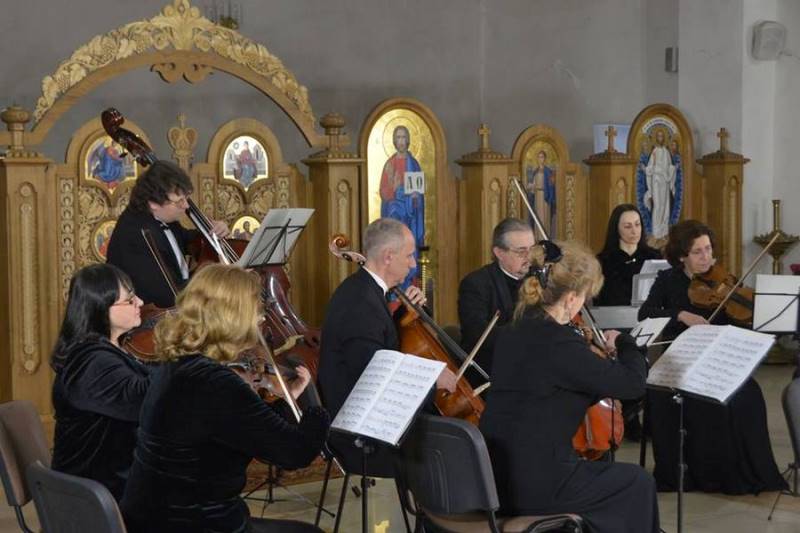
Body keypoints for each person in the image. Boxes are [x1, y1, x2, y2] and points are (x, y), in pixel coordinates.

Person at [121, 264, 328, 533]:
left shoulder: (178, 365)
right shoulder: (214, 384)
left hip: (152, 518)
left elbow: (251, 427)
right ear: (234, 318)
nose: (262, 319)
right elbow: (295, 452)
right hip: (195, 524)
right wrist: (319, 409)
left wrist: (288, 399)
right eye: (258, 310)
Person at [479, 241, 659, 532]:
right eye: (586, 296)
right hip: (536, 485)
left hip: (493, 476)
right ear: (572, 298)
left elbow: (550, 391)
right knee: (636, 482)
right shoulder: (561, 343)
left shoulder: (512, 331)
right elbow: (632, 385)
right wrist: (627, 344)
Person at [638, 220, 786, 494]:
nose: (706, 257)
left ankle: (748, 472)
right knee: (705, 403)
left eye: (708, 250)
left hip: (718, 358)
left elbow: (743, 322)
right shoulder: (668, 281)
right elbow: (645, 313)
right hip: (683, 361)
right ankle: (705, 475)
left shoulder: (724, 280)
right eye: (698, 252)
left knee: (748, 395)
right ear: (682, 255)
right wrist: (680, 314)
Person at [318, 218, 456, 475]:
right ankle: (438, 513)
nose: (414, 264)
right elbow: (374, 377)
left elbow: (380, 343)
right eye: (409, 256)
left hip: (366, 421)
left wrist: (406, 312)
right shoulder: (360, 304)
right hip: (360, 435)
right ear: (388, 257)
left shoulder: (364, 291)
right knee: (452, 447)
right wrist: (431, 379)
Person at [51, 263, 148, 501]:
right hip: (96, 498)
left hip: (109, 482)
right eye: (130, 299)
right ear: (101, 308)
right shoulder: (90, 363)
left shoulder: (104, 350)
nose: (141, 303)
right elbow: (142, 401)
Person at [106, 160, 229, 308]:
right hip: (151, 321)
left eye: (186, 198)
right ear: (153, 203)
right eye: (179, 202)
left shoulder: (162, 217)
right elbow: (166, 296)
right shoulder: (136, 235)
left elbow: (185, 239)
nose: (186, 206)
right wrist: (214, 275)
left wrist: (214, 231)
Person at [458, 218, 535, 380]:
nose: (529, 258)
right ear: (499, 253)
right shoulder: (476, 284)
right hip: (492, 374)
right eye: (521, 251)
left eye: (532, 249)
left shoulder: (542, 281)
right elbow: (478, 335)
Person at [379, 126, 425, 289]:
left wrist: (414, 198)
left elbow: (419, 193)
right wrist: (396, 190)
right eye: (398, 137)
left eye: (403, 137)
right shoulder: (389, 165)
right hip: (394, 213)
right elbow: (384, 192)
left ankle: (409, 283)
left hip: (410, 216)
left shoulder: (413, 164)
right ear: (393, 141)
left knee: (409, 246)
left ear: (408, 140)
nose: (401, 141)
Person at [595, 204, 661, 306]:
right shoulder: (602, 261)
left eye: (637, 224)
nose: (634, 231)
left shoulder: (655, 257)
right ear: (616, 229)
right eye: (627, 226)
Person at [640, 130, 676, 240]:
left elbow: (670, 166)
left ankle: (664, 231)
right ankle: (656, 232)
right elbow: (651, 167)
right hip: (656, 181)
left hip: (664, 181)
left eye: (662, 136)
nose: (660, 138)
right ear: (656, 138)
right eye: (658, 136)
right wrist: (645, 169)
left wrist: (673, 169)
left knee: (665, 206)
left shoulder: (666, 152)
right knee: (658, 205)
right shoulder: (654, 151)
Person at [524, 150, 556, 235]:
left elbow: (551, 185)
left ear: (545, 158)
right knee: (538, 216)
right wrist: (531, 187)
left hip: (545, 196)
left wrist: (550, 194)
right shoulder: (535, 171)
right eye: (539, 157)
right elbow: (534, 184)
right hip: (537, 196)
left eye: (542, 157)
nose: (540, 159)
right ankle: (538, 236)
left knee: (545, 216)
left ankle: (545, 236)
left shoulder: (548, 171)